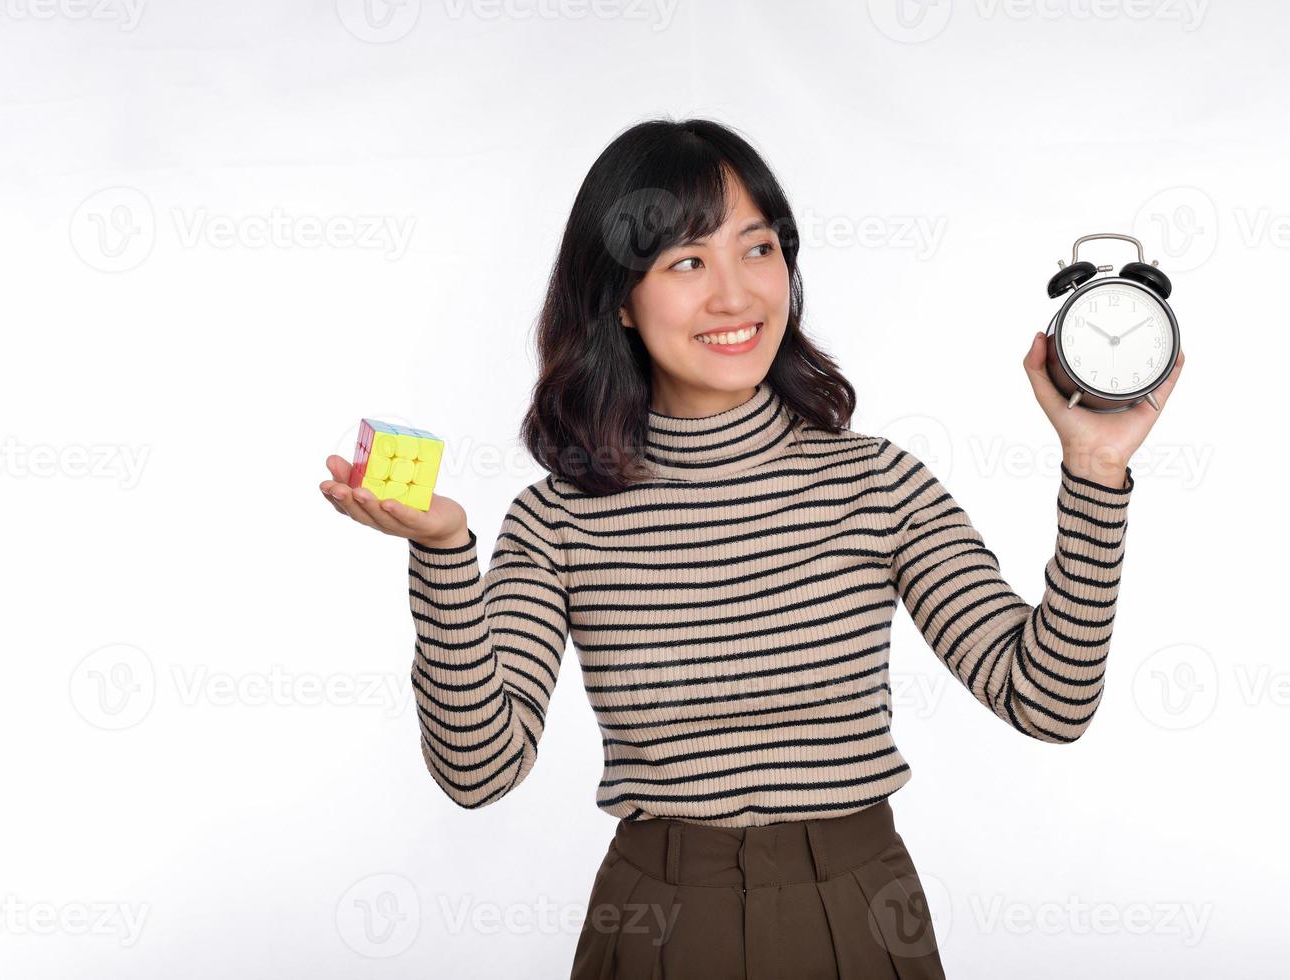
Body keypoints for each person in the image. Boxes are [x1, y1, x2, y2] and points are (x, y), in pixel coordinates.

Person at [319, 117, 1184, 979]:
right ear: (619, 295)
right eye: (686, 262)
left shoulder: (874, 483)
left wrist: (1095, 474)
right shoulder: (560, 521)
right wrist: (442, 554)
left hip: (860, 912)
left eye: (758, 249)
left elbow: (1049, 701)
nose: (735, 296)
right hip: (656, 925)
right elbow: (480, 771)